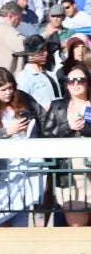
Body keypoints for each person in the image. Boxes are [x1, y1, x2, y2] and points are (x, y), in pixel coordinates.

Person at [0, 67, 48, 227]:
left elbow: (43, 116)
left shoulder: (23, 98)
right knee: (1, 216)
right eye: (3, 89)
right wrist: (7, 131)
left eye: (11, 88)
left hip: (26, 165)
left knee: (22, 213)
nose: (8, 93)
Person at [44, 62, 91, 225]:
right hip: (70, 174)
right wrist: (67, 127)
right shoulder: (58, 106)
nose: (76, 84)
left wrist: (86, 128)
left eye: (81, 80)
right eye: (71, 81)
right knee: (77, 225)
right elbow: (47, 135)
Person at [14, 35, 62, 110]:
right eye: (41, 51)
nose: (46, 53)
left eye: (46, 50)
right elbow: (22, 104)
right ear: (31, 55)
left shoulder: (51, 73)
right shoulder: (23, 77)